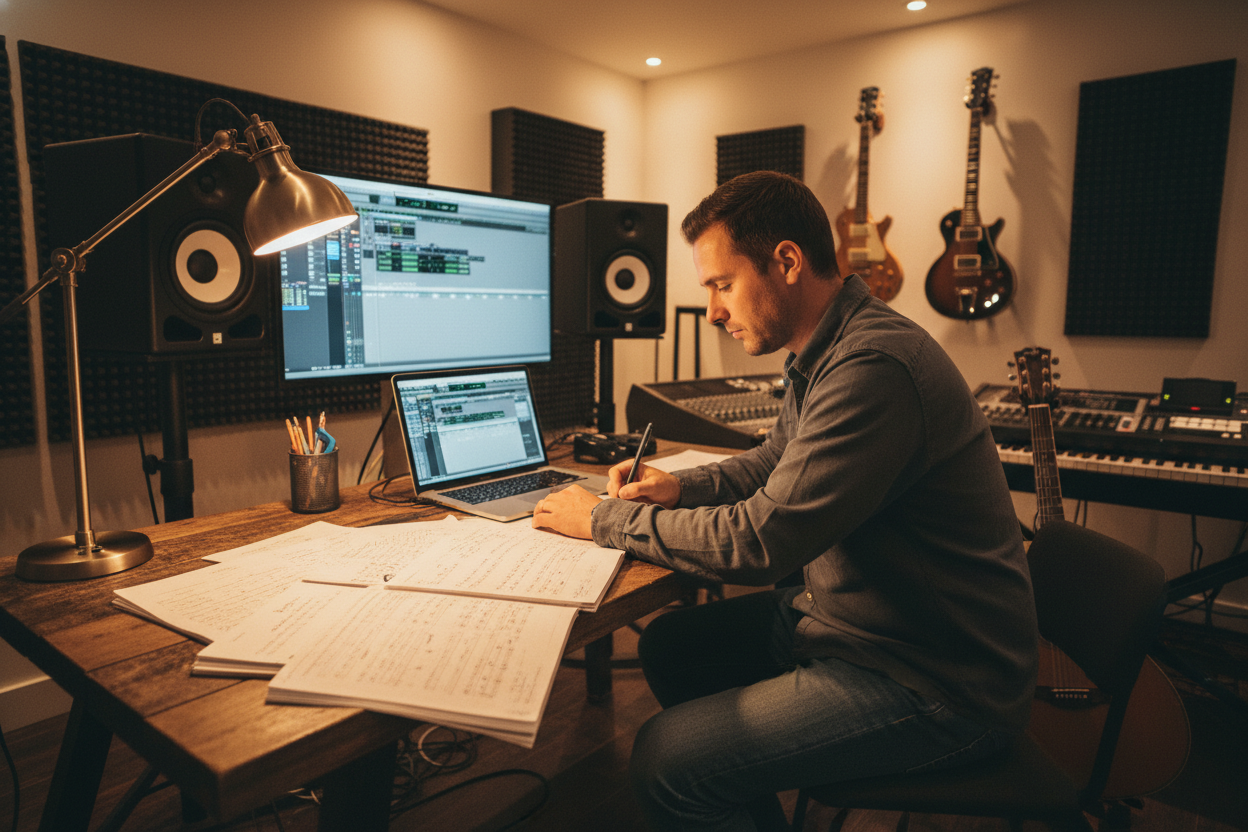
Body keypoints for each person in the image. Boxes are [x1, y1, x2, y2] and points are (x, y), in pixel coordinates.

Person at [532, 170, 1037, 831]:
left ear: (787, 262)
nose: (712, 309)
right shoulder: (826, 351)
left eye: (721, 284)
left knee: (666, 760)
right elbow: (775, 461)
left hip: (938, 679)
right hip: (862, 627)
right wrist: (679, 486)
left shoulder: (873, 366)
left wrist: (603, 518)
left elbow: (760, 542)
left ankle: (717, 784)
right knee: (673, 647)